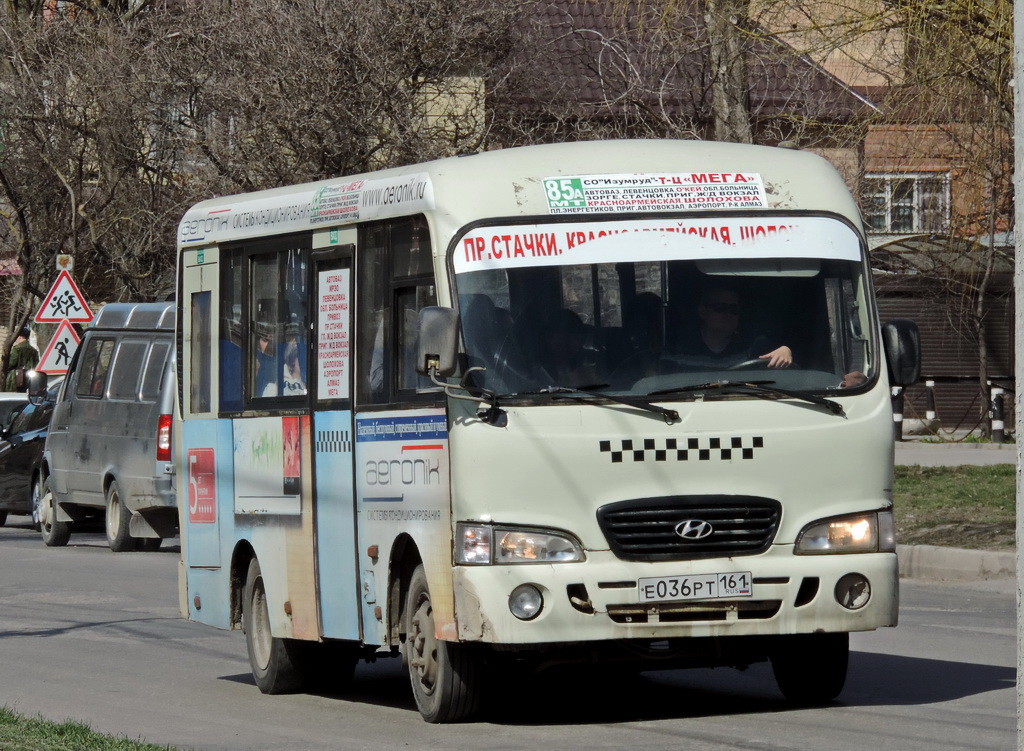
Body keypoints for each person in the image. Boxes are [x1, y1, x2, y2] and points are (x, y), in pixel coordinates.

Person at [677, 284, 792, 368]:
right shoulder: (678, 350)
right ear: (702, 312)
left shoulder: (754, 346)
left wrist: (785, 351)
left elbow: (779, 365)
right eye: (720, 308)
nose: (728, 314)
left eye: (734, 309)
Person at [6, 326, 38, 392]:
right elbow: (37, 365)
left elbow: (12, 363)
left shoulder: (17, 348)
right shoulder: (34, 350)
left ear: (19, 337)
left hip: (15, 379)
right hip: (29, 378)